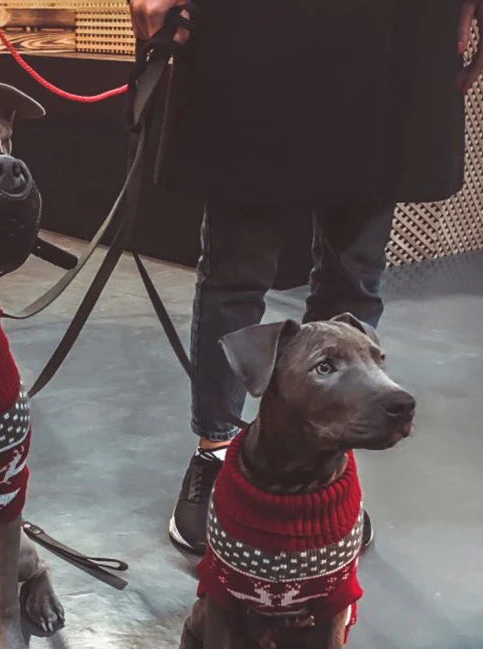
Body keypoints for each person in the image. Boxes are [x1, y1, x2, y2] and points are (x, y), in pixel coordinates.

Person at [129, 0, 483, 554]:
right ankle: (217, 449)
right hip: (256, 23)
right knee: (236, 272)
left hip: (396, 25)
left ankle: (329, 464)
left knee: (355, 273)